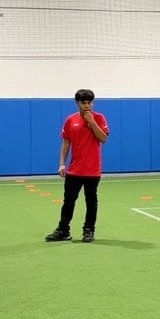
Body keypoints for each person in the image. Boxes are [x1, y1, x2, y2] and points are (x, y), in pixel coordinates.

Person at [45, 89, 109, 243]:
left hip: (92, 170)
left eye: (89, 102)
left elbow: (103, 138)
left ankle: (88, 231)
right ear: (77, 103)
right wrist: (61, 163)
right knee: (68, 201)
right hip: (74, 170)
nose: (87, 105)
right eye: (83, 102)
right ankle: (63, 230)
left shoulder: (99, 118)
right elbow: (66, 142)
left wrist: (91, 121)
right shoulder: (70, 120)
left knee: (91, 202)